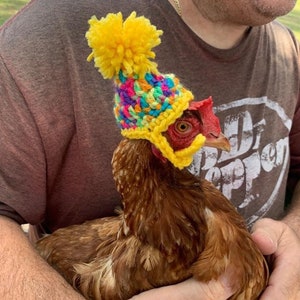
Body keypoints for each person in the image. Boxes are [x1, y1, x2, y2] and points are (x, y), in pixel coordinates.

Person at [0, 0, 299, 298]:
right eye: (183, 127)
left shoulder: (288, 49)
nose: (216, 135)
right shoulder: (40, 38)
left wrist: (295, 236)